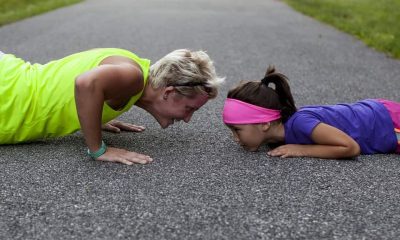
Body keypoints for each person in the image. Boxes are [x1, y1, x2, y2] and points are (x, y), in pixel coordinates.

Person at [0, 48, 224, 165]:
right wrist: (98, 149)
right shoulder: (133, 77)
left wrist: (93, 115)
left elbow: (77, 83)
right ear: (169, 92)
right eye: (190, 108)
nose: (188, 119)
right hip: (8, 96)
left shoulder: (134, 71)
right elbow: (86, 83)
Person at [222, 66, 400, 159]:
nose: (235, 138)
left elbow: (350, 147)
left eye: (237, 130)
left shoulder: (300, 123)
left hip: (389, 123)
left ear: (264, 124)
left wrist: (301, 150)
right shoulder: (278, 136)